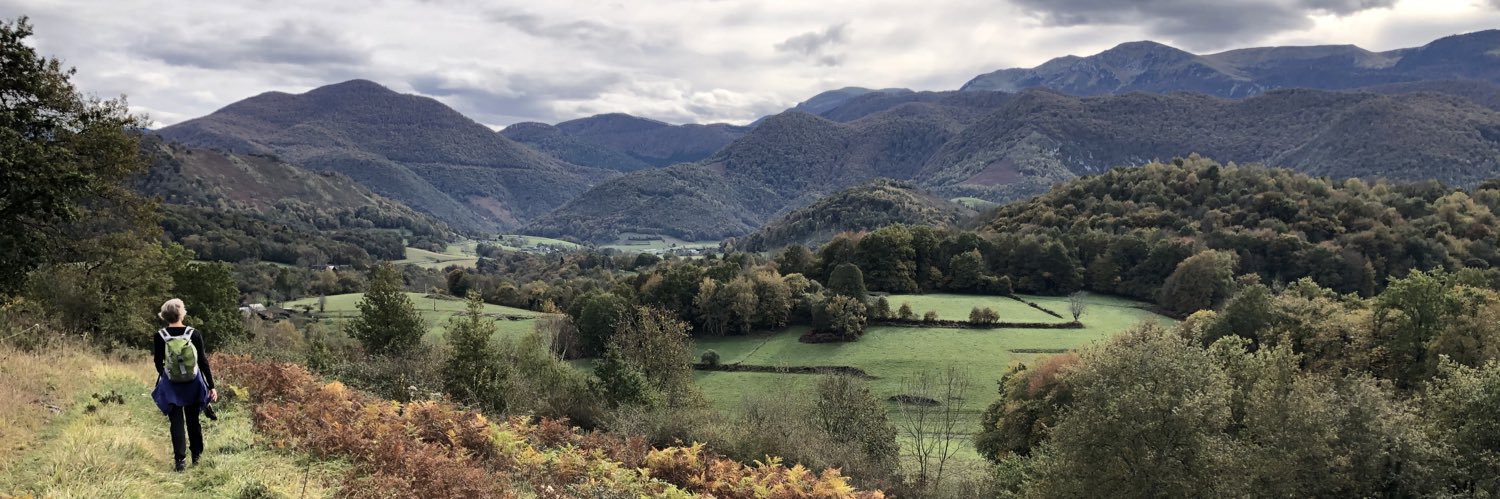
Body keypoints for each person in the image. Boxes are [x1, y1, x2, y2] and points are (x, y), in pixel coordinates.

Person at [150, 298, 218, 472]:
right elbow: (203, 361)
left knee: (176, 422)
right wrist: (211, 385)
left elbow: (158, 361)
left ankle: (180, 461)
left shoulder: (160, 336)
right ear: (181, 313)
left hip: (171, 383)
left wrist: (166, 376)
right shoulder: (193, 334)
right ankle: (197, 458)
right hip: (193, 382)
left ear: (165, 315)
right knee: (193, 421)